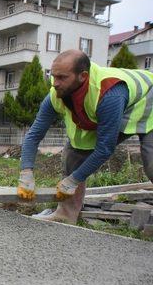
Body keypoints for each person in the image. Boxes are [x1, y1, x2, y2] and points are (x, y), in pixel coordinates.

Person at [18, 49, 153, 223]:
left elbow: (105, 149)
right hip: (118, 105)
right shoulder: (56, 93)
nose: (55, 83)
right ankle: (65, 216)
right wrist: (26, 171)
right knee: (73, 154)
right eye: (53, 76)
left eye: (62, 78)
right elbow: (34, 135)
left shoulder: (108, 93)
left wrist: (73, 180)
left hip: (149, 101)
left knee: (151, 163)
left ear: (82, 76)